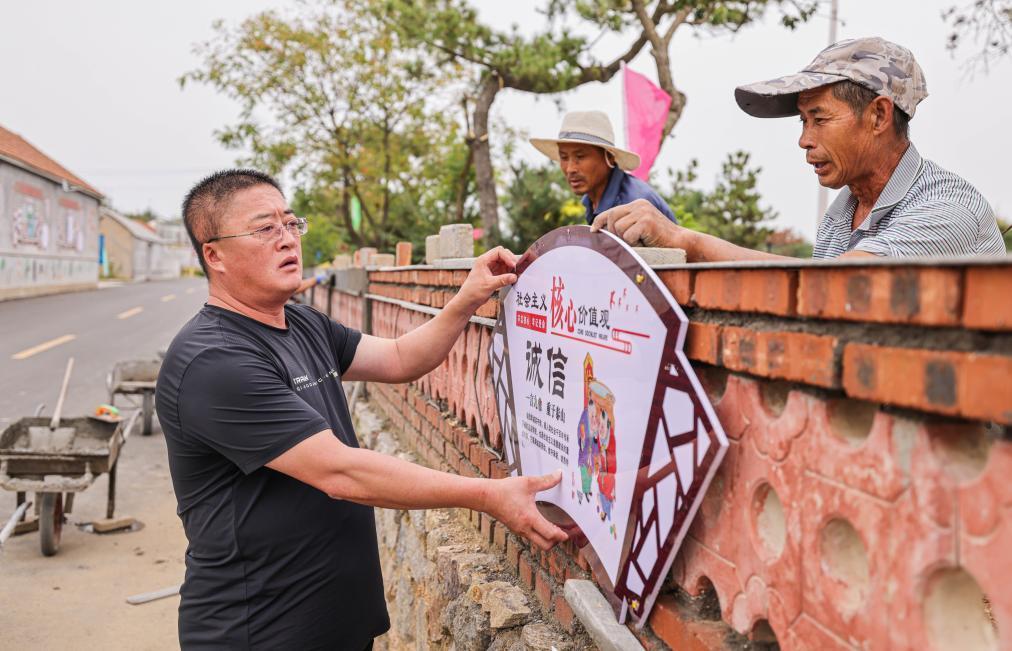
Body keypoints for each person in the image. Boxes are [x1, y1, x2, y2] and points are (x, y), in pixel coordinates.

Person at [156, 169, 567, 650]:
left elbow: (400, 358)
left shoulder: (302, 324)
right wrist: (489, 494)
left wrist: (467, 297)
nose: (287, 239)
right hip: (257, 631)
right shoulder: (214, 360)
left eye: (290, 223)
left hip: (334, 623)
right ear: (214, 255)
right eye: (264, 228)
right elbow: (341, 473)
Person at [591, 37, 1006, 261]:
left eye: (819, 119)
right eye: (803, 121)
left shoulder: (948, 208)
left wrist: (687, 241)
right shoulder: (842, 215)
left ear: (879, 116)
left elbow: (837, 289)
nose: (804, 140)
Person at [530, 110, 677, 226]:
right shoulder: (592, 200)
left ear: (609, 157)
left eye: (580, 156)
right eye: (563, 157)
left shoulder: (632, 203)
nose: (570, 169)